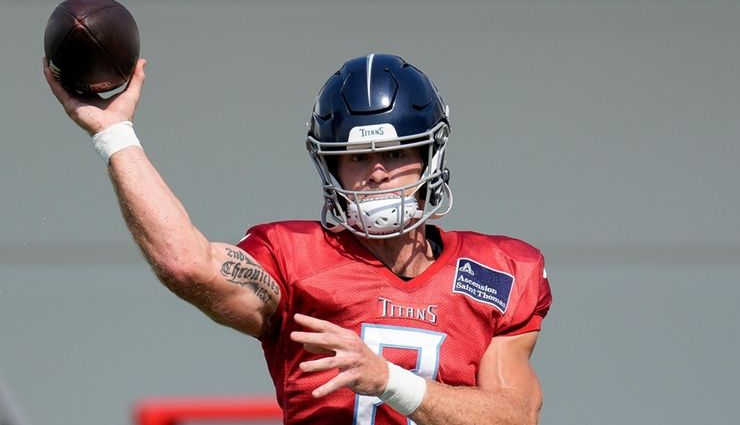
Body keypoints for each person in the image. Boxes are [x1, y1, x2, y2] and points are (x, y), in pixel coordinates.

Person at [44, 53, 552, 425]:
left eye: (397, 154)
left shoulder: (500, 270)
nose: (377, 174)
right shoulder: (295, 257)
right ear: (330, 165)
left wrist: (386, 380)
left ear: (431, 155)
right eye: (356, 158)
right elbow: (187, 264)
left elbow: (513, 419)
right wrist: (115, 135)